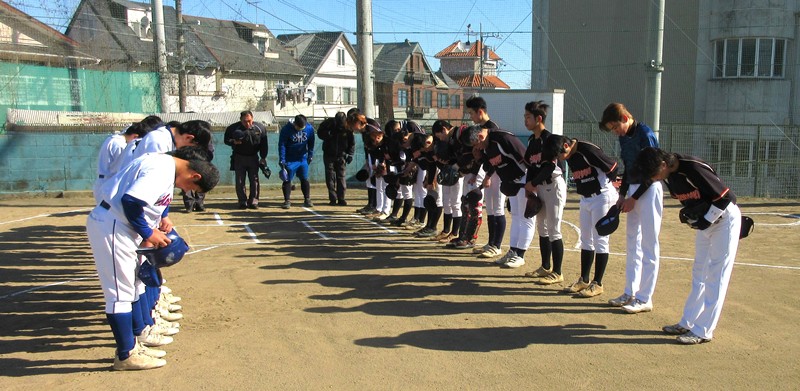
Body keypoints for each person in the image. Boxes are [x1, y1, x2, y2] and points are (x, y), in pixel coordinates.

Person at [86, 147, 220, 370]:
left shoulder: (166, 166)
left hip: (122, 225)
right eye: (192, 188)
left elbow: (151, 201)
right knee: (119, 294)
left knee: (132, 287)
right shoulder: (161, 169)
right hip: (114, 226)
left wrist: (159, 220)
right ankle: (126, 356)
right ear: (195, 176)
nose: (187, 191)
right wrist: (149, 233)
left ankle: (133, 344)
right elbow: (131, 201)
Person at [634, 147, 741, 345]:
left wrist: (707, 219)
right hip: (707, 223)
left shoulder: (693, 168)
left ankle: (703, 330)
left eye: (654, 173)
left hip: (724, 221)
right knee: (699, 273)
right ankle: (688, 322)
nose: (654, 178)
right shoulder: (669, 175)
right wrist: (692, 214)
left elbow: (727, 198)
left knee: (716, 276)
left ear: (663, 164)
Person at [599, 103, 663, 313]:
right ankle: (630, 291)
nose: (615, 132)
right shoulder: (624, 137)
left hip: (649, 189)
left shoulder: (645, 134)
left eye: (616, 127)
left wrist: (633, 198)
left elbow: (654, 171)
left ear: (625, 118)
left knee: (649, 244)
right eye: (612, 129)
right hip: (634, 190)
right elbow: (628, 167)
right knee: (632, 242)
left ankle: (645, 298)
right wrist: (622, 195)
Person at [548, 135, 619, 297]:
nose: (559, 158)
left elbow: (612, 167)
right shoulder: (570, 154)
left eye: (559, 154)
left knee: (600, 240)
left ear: (566, 146)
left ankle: (597, 283)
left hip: (602, 196)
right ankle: (584, 280)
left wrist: (610, 186)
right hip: (586, 198)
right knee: (586, 239)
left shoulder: (588, 149)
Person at [466, 125, 531, 268]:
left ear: (481, 137)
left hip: (525, 180)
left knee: (526, 219)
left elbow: (525, 158)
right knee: (516, 218)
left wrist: (532, 183)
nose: (477, 148)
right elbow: (492, 165)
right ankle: (513, 252)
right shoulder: (487, 146)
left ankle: (520, 255)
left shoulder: (503, 138)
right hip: (512, 182)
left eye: (476, 145)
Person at [522, 101, 567, 284]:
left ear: (539, 118)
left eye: (528, 117)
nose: (525, 120)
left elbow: (550, 167)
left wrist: (532, 183)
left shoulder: (550, 140)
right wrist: (529, 188)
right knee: (542, 228)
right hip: (540, 187)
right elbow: (531, 166)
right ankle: (545, 266)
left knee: (554, 229)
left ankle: (558, 272)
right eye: (525, 116)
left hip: (554, 185)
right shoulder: (532, 141)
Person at [93, 123, 148, 204]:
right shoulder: (120, 144)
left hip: (103, 180)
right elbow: (122, 166)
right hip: (109, 181)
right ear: (135, 136)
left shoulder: (112, 139)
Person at [224, 111, 268, 209]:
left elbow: (264, 144)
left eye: (249, 121)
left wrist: (263, 157)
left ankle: (254, 201)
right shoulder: (233, 128)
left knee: (254, 180)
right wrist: (233, 142)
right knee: (240, 180)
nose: (247, 123)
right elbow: (226, 140)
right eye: (245, 121)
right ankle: (242, 201)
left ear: (252, 118)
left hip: (253, 157)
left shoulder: (260, 128)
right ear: (241, 120)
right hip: (239, 157)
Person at [317, 112, 355, 206]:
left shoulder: (348, 127)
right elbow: (320, 133)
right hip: (329, 155)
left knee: (341, 177)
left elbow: (352, 143)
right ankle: (333, 198)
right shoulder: (328, 124)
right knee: (330, 177)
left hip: (342, 155)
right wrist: (329, 133)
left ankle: (341, 198)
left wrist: (350, 154)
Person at [278, 114, 316, 208]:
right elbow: (282, 145)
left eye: (302, 127)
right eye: (299, 127)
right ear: (294, 123)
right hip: (290, 159)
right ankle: (287, 200)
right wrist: (282, 159)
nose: (300, 129)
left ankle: (307, 199)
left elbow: (311, 143)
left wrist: (310, 155)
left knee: (304, 178)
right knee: (287, 179)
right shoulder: (286, 129)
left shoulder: (309, 129)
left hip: (302, 158)